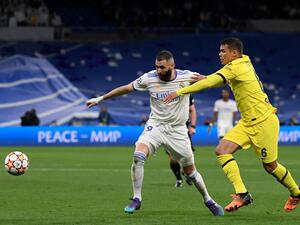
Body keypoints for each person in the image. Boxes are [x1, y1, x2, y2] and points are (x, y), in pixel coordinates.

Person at [164, 37, 300, 212]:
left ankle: (296, 192)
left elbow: (213, 81)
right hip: (246, 123)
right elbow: (220, 78)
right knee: (222, 150)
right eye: (220, 51)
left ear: (234, 53)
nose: (220, 54)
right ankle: (242, 194)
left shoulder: (237, 66)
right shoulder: (241, 63)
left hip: (264, 121)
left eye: (223, 51)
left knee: (270, 166)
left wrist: (180, 92)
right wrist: (207, 78)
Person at [86, 50, 224, 216]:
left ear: (172, 65)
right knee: (138, 156)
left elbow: (215, 82)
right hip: (156, 126)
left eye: (162, 67)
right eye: (157, 67)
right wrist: (100, 99)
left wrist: (212, 79)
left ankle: (208, 200)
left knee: (191, 173)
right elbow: (125, 89)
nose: (158, 70)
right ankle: (137, 198)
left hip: (178, 130)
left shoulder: (187, 76)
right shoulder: (148, 78)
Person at [168, 95, 197, 187]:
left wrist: (192, 126)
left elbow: (192, 110)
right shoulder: (165, 93)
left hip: (183, 129)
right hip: (169, 130)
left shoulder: (186, 94)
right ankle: (179, 179)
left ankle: (187, 173)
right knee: (173, 159)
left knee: (189, 155)